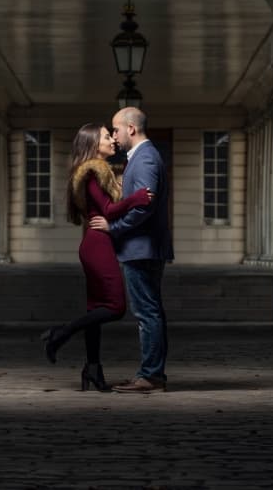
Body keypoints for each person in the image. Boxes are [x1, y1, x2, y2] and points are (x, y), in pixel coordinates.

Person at [41, 122, 152, 392]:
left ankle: (92, 369)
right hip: (97, 245)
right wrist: (137, 198)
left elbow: (106, 208)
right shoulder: (92, 172)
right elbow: (108, 210)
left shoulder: (97, 173)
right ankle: (60, 333)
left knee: (96, 308)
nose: (112, 140)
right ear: (93, 143)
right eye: (105, 136)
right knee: (115, 308)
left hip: (95, 243)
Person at [89, 107, 173, 394]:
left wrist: (114, 227)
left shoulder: (145, 157)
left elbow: (144, 205)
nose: (114, 135)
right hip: (143, 247)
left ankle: (151, 376)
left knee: (147, 313)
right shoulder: (141, 157)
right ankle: (150, 374)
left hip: (142, 248)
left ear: (131, 128)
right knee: (149, 312)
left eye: (116, 129)